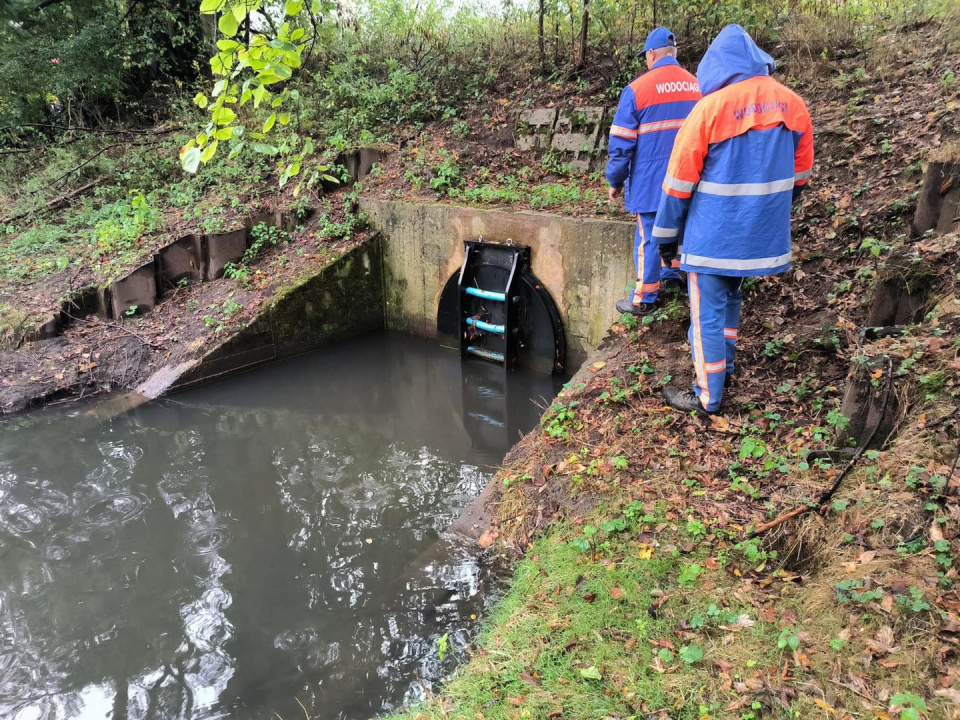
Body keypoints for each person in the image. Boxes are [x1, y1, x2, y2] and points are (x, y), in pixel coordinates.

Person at [654, 24, 814, 415]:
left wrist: (665, 237)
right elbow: (801, 175)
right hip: (758, 236)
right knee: (730, 299)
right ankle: (724, 367)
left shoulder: (709, 109)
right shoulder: (793, 105)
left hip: (712, 235)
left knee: (705, 311)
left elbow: (677, 184)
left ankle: (707, 394)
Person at [606, 26, 702, 316]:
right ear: (674, 52)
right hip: (688, 175)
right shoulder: (697, 85)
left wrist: (615, 180)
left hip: (651, 180)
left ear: (651, 54)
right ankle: (672, 278)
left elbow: (621, 143)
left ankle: (644, 299)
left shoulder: (637, 89)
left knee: (648, 237)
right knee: (678, 226)